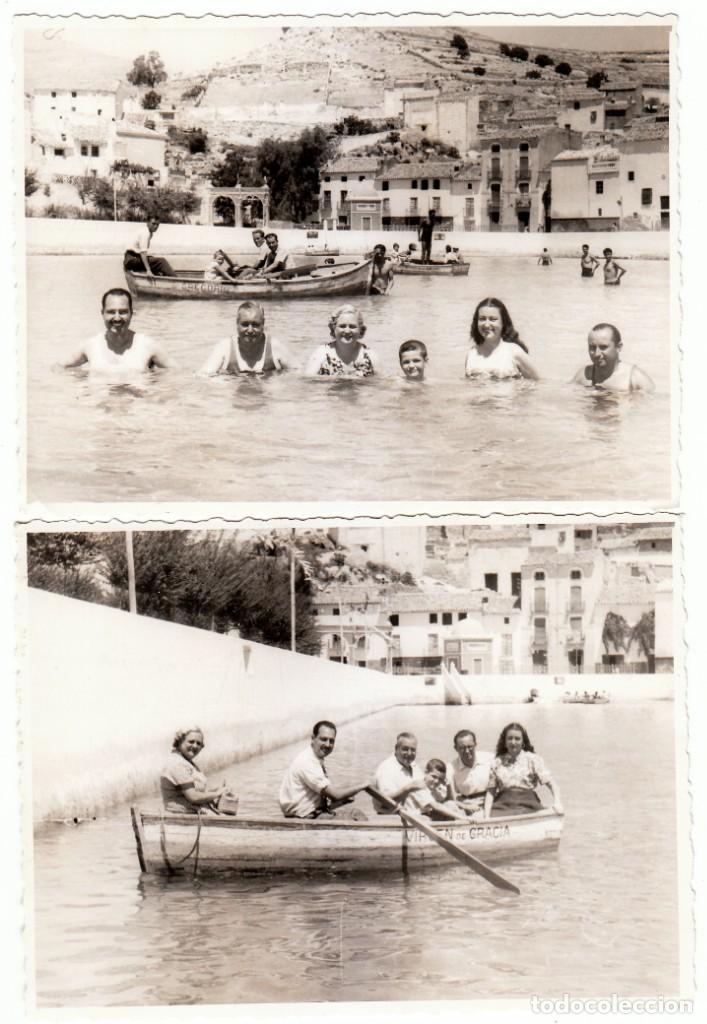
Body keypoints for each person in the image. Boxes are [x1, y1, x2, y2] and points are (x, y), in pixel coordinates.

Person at [60, 288, 170, 372]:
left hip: (137, 401)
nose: (117, 318)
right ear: (102, 313)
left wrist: (157, 392)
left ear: (131, 313)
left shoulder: (147, 345)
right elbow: (58, 367)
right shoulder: (90, 346)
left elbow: (177, 373)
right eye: (111, 312)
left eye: (123, 312)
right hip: (101, 401)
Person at [279, 720, 370, 819]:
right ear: (313, 738)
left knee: (352, 811)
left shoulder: (313, 758)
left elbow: (326, 801)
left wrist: (344, 799)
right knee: (355, 814)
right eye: (323, 739)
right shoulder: (307, 762)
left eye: (331, 741)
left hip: (309, 814)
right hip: (305, 819)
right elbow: (335, 795)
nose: (327, 744)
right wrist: (363, 786)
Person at [483, 722, 563, 819]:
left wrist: (557, 802)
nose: (513, 742)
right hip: (502, 805)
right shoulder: (496, 763)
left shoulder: (533, 760)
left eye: (517, 739)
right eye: (510, 738)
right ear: (504, 742)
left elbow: (552, 784)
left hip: (529, 804)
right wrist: (486, 815)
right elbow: (491, 792)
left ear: (523, 742)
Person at [198, 300, 290, 375]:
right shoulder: (225, 347)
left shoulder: (275, 346)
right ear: (237, 323)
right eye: (245, 324)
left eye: (255, 325)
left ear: (263, 324)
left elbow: (298, 375)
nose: (250, 330)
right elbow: (203, 376)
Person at [160, 728, 233, 815]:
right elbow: (193, 797)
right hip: (183, 817)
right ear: (179, 742)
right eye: (191, 742)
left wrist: (216, 791)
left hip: (195, 814)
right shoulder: (176, 763)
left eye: (199, 743)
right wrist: (217, 793)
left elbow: (197, 791)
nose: (195, 746)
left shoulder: (187, 763)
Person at [464, 297, 539, 380]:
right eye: (482, 319)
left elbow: (539, 384)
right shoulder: (471, 354)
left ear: (503, 322)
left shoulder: (514, 352)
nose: (486, 324)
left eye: (493, 319)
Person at [572, 322, 655, 392]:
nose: (596, 353)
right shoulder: (585, 374)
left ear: (618, 347)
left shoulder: (636, 379)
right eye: (592, 347)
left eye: (603, 347)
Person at [304, 304, 377, 377]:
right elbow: (308, 381)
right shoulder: (322, 354)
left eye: (352, 326)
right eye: (342, 326)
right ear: (333, 328)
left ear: (360, 330)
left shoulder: (370, 356)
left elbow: (381, 382)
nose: (347, 331)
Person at [371, 731, 426, 813]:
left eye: (413, 750)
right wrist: (408, 788)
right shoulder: (387, 768)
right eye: (405, 749)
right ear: (396, 749)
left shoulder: (414, 765)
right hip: (392, 819)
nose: (409, 753)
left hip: (416, 814)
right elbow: (385, 802)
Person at [445, 729, 492, 815]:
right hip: (466, 805)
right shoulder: (450, 768)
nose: (467, 751)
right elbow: (451, 798)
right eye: (462, 748)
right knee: (449, 806)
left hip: (490, 802)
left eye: (470, 747)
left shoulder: (490, 759)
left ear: (475, 744)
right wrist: (465, 806)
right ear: (456, 748)